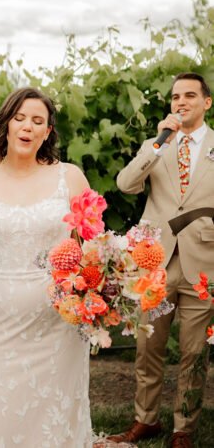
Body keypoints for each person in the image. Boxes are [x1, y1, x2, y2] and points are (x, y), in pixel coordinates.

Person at [0, 87, 93, 446]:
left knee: (56, 419)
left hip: (60, 323)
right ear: (6, 123)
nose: (27, 127)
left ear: (48, 132)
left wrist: (93, 299)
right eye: (20, 118)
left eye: (38, 121)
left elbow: (93, 250)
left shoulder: (71, 177)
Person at [110, 73, 214, 448]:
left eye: (189, 95)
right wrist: (157, 144)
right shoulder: (156, 145)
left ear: (207, 102)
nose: (180, 102)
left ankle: (184, 427)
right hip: (155, 263)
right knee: (147, 347)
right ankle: (146, 419)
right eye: (174, 97)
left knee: (194, 352)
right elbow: (126, 184)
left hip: (205, 263)